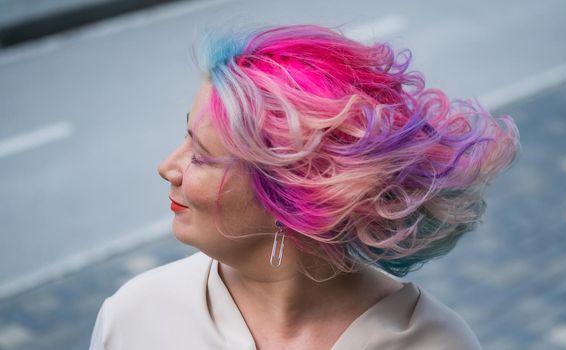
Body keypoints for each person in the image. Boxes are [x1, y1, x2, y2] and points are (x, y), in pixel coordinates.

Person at [89, 24, 519, 349]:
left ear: (294, 193)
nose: (167, 167)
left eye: (201, 155)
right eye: (185, 137)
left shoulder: (435, 342)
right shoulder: (136, 316)